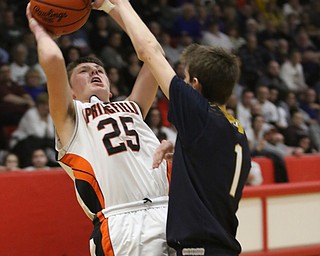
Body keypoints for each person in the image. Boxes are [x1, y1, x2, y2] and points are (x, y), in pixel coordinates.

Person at [99, 1, 251, 255]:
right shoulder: (235, 130)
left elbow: (150, 52)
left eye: (183, 78)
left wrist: (117, 4)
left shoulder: (200, 116)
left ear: (195, 84)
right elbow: (209, 164)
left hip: (200, 250)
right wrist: (182, 148)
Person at [26, 4, 172, 256]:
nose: (94, 72)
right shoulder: (71, 119)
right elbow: (52, 60)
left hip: (170, 212)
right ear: (70, 92)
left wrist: (111, 7)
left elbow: (153, 53)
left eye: (99, 71)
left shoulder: (132, 106)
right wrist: (39, 29)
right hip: (122, 224)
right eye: (84, 71)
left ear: (110, 87)